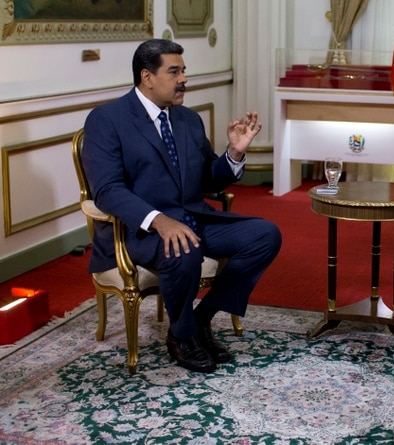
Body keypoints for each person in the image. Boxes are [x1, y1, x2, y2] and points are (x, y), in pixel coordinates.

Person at [82, 39, 282, 373]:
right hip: (141, 229)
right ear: (147, 77)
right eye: (174, 72)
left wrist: (233, 154)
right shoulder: (107, 120)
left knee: (265, 235)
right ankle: (183, 336)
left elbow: (207, 181)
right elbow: (107, 191)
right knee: (182, 249)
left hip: (194, 217)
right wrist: (159, 220)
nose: (183, 79)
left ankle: (199, 320)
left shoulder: (189, 119)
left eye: (183, 71)